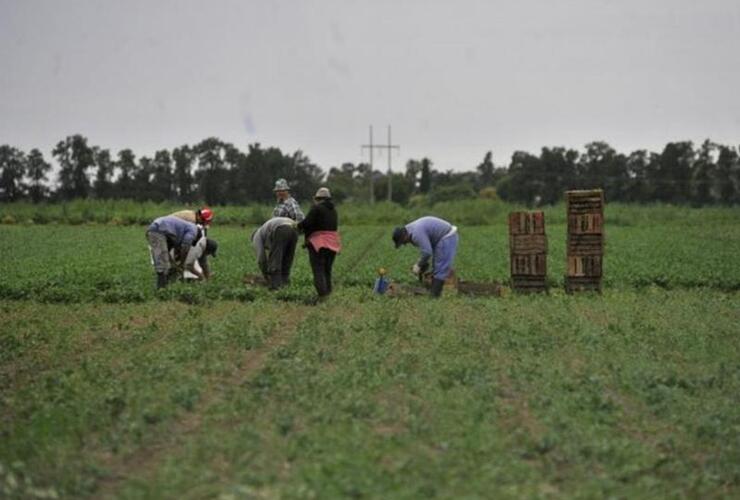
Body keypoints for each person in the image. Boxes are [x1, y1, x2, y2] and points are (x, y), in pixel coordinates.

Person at [392, 216, 458, 298]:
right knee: (437, 267)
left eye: (403, 242)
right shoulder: (409, 229)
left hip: (447, 236)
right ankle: (434, 291)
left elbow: (427, 252)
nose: (405, 244)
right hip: (439, 238)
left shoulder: (416, 234)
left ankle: (434, 296)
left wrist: (418, 265)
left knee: (441, 268)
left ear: (404, 236)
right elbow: (426, 250)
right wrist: (422, 264)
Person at [297, 187, 341, 300]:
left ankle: (322, 295)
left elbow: (307, 223)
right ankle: (328, 293)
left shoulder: (316, 208)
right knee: (327, 269)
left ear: (318, 199)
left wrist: (297, 225)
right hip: (333, 242)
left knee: (318, 270)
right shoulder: (333, 210)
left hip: (319, 243)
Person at [146, 215, 199, 289]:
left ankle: (166, 285)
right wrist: (182, 264)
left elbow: (176, 250)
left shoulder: (183, 230)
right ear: (196, 237)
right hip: (158, 230)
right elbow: (185, 247)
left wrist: (176, 264)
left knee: (168, 263)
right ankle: (161, 289)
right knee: (163, 263)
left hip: (161, 230)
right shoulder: (193, 231)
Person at [251, 217, 298, 289]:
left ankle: (276, 286)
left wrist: (265, 274)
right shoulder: (265, 231)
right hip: (294, 229)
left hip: (281, 228)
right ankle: (285, 284)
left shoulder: (256, 236)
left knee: (275, 260)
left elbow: (261, 258)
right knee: (287, 259)